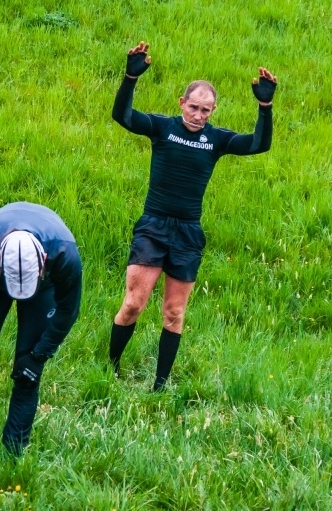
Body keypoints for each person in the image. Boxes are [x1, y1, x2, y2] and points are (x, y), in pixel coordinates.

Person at [108, 41, 277, 391]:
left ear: (213, 111)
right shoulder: (162, 127)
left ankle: (159, 385)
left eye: (207, 111)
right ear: (182, 103)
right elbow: (122, 116)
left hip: (187, 234)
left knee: (173, 313)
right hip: (153, 225)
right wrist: (129, 78)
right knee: (133, 304)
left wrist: (265, 106)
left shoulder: (215, 140)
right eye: (195, 107)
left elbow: (259, 144)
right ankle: (110, 368)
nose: (199, 116)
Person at [0, 201, 82, 458]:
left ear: (44, 260)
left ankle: (12, 459)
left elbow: (68, 312)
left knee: (27, 373)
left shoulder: (65, 255)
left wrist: (39, 354)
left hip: (44, 288)